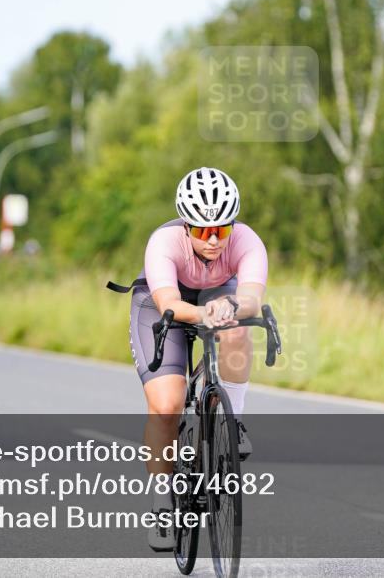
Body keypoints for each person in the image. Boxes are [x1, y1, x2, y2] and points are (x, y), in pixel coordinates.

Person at [111, 166, 267, 551]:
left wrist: (230, 307)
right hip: (160, 304)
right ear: (185, 226)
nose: (213, 240)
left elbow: (250, 298)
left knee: (238, 326)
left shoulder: (247, 241)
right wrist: (203, 315)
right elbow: (169, 304)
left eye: (222, 230)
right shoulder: (163, 243)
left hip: (218, 292)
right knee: (167, 405)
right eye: (201, 231)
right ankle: (163, 501)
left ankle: (234, 423)